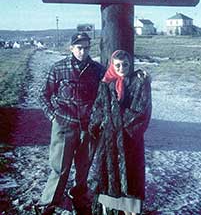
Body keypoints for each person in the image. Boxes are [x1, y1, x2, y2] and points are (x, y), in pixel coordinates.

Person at [37, 32, 105, 215]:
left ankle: (78, 198)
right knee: (60, 167)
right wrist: (52, 116)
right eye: (79, 48)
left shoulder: (98, 70)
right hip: (64, 126)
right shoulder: (59, 68)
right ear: (71, 48)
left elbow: (105, 98)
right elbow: (43, 95)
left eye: (86, 48)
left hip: (89, 128)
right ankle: (49, 202)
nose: (83, 51)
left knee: (83, 168)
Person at [88, 50, 152, 215]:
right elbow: (98, 108)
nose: (121, 68)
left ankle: (131, 211)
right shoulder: (106, 84)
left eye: (125, 64)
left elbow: (141, 112)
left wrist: (120, 126)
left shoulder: (139, 83)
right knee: (108, 176)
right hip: (108, 140)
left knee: (131, 178)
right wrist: (95, 126)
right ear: (112, 65)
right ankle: (110, 211)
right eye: (117, 65)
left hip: (130, 141)